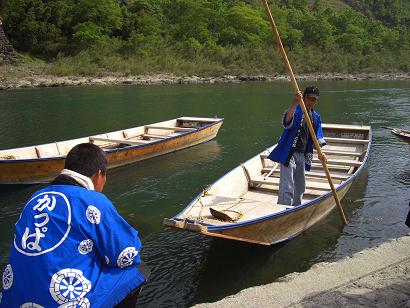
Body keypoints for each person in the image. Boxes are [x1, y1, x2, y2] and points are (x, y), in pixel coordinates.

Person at [1, 143, 146, 307]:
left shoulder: (36, 197)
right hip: (60, 301)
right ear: (98, 175)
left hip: (13, 300)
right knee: (137, 269)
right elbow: (126, 254)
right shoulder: (93, 201)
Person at [268, 86, 327, 206]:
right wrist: (294, 103)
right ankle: (283, 209)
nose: (312, 102)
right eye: (310, 98)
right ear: (304, 98)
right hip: (289, 153)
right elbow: (287, 122)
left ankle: (296, 209)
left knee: (300, 187)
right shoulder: (296, 110)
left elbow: (317, 137)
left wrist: (321, 153)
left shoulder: (316, 117)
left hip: (303, 154)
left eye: (315, 100)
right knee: (287, 186)